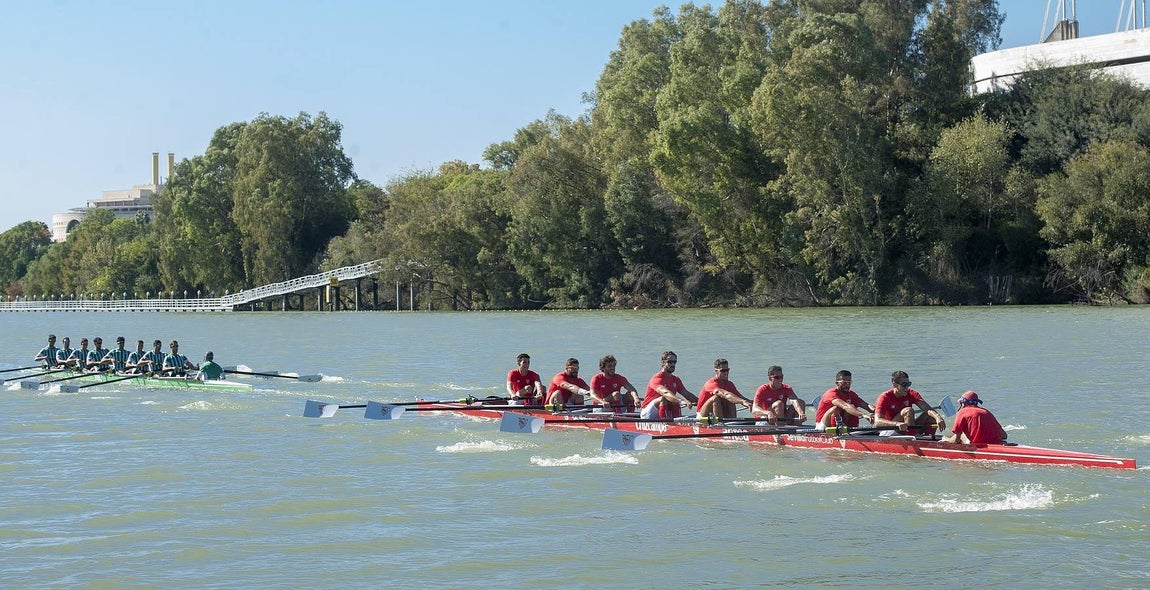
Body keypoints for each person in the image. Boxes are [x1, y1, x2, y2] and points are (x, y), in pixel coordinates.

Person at [872, 371, 946, 434]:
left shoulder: (911, 393)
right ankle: (912, 438)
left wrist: (938, 417)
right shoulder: (885, 397)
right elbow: (877, 422)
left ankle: (930, 439)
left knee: (931, 415)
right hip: (891, 430)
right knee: (908, 410)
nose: (906, 387)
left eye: (908, 384)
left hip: (907, 427)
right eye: (904, 384)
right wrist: (896, 424)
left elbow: (927, 409)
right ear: (895, 384)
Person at [640, 351, 698, 420]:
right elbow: (666, 393)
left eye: (674, 362)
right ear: (663, 362)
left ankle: (676, 423)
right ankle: (666, 423)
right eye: (670, 362)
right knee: (665, 398)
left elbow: (687, 394)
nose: (673, 364)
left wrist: (701, 403)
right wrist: (682, 401)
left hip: (664, 409)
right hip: (648, 413)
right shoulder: (657, 378)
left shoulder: (676, 379)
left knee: (674, 400)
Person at [943, 391, 1007, 445]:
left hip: (977, 446)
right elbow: (1004, 435)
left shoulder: (961, 412)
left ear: (963, 403)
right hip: (996, 445)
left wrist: (946, 440)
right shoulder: (986, 412)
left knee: (961, 435)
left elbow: (956, 440)